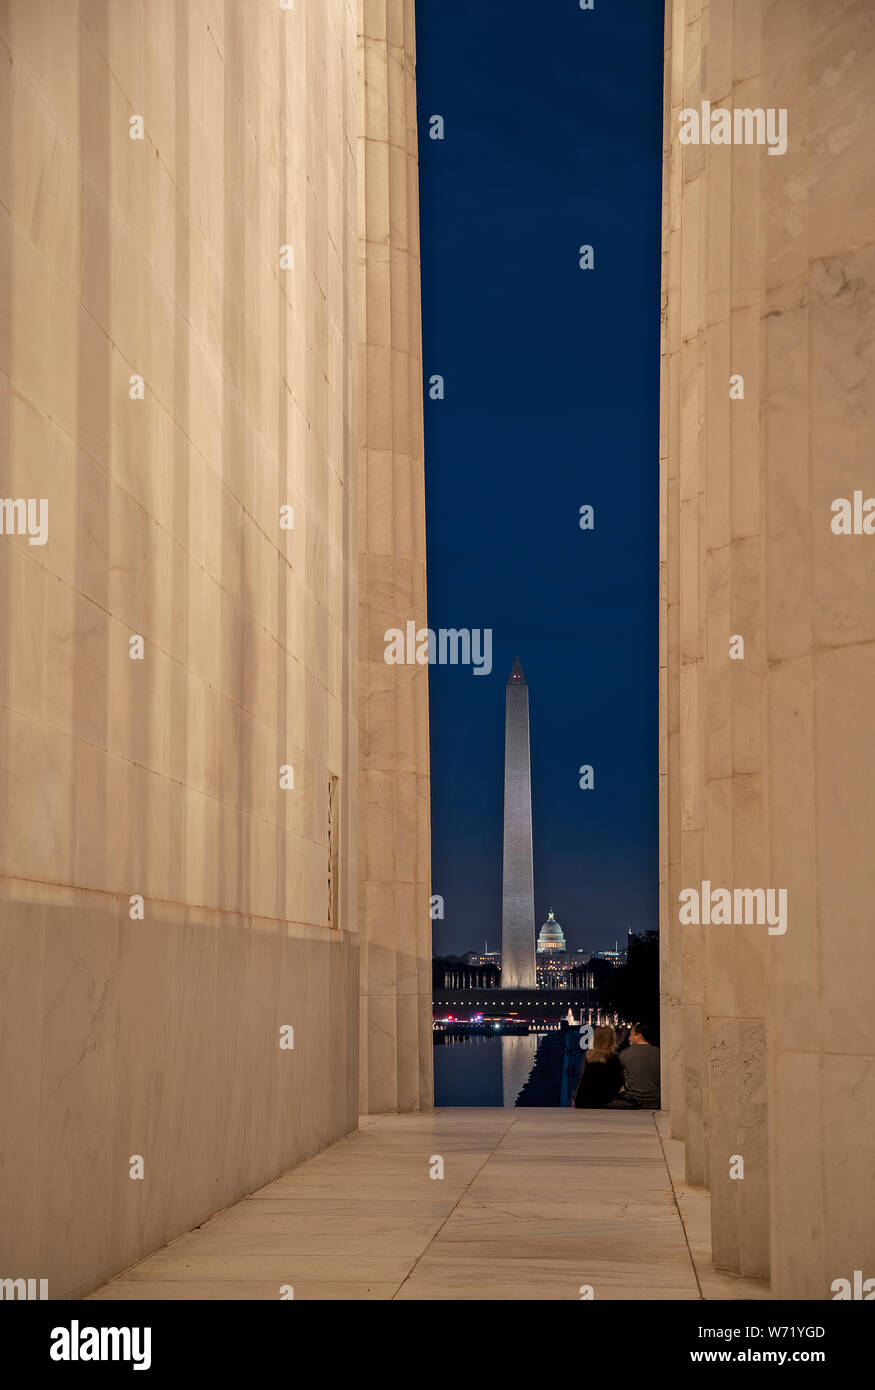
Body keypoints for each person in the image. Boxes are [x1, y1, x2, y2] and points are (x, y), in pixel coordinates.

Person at [607, 1021, 661, 1109]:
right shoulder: (659, 1053)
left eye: (631, 1034)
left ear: (639, 1035)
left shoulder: (625, 1054)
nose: (629, 1038)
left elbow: (615, 1077)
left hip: (634, 1099)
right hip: (657, 1099)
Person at [572, 1025, 622, 1108]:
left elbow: (582, 1079)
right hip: (603, 1101)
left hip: (583, 1101)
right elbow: (617, 1083)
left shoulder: (588, 1057)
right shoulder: (613, 1058)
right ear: (611, 1039)